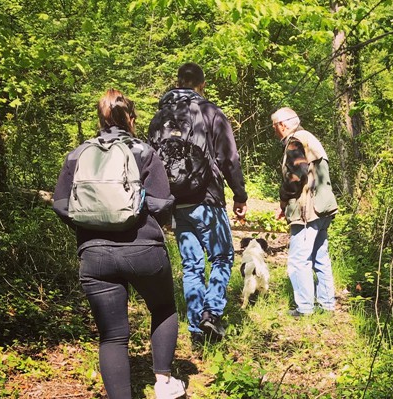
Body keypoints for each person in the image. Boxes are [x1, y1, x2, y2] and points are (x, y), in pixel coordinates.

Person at [53, 89, 185, 399]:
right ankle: (164, 383)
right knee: (164, 308)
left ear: (100, 119)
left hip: (95, 255)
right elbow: (162, 203)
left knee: (112, 337)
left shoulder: (78, 154)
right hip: (144, 250)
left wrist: (88, 222)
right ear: (131, 118)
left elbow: (60, 204)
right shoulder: (143, 151)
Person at [148, 63, 248, 346]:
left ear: (178, 82)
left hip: (176, 203)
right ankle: (211, 314)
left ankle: (196, 332)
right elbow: (229, 158)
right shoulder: (210, 112)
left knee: (192, 266)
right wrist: (239, 195)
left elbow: (151, 162)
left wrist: (160, 205)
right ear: (201, 84)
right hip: (207, 199)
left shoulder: (159, 117)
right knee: (222, 257)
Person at [271, 107, 339, 317]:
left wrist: (284, 200)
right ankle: (327, 305)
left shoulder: (295, 141)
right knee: (320, 257)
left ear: (282, 125)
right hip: (323, 206)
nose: (275, 132)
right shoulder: (310, 138)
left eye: (274, 127)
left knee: (299, 260)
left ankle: (305, 309)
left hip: (307, 210)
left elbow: (297, 174)